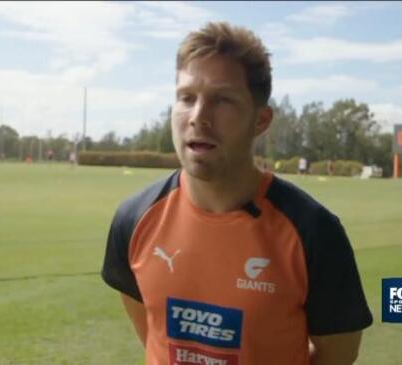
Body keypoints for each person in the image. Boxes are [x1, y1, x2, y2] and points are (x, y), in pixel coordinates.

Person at [102, 21, 372, 365]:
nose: (198, 117)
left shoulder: (313, 232)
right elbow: (154, 335)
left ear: (260, 120)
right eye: (186, 98)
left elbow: (338, 356)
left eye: (222, 100)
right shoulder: (134, 219)